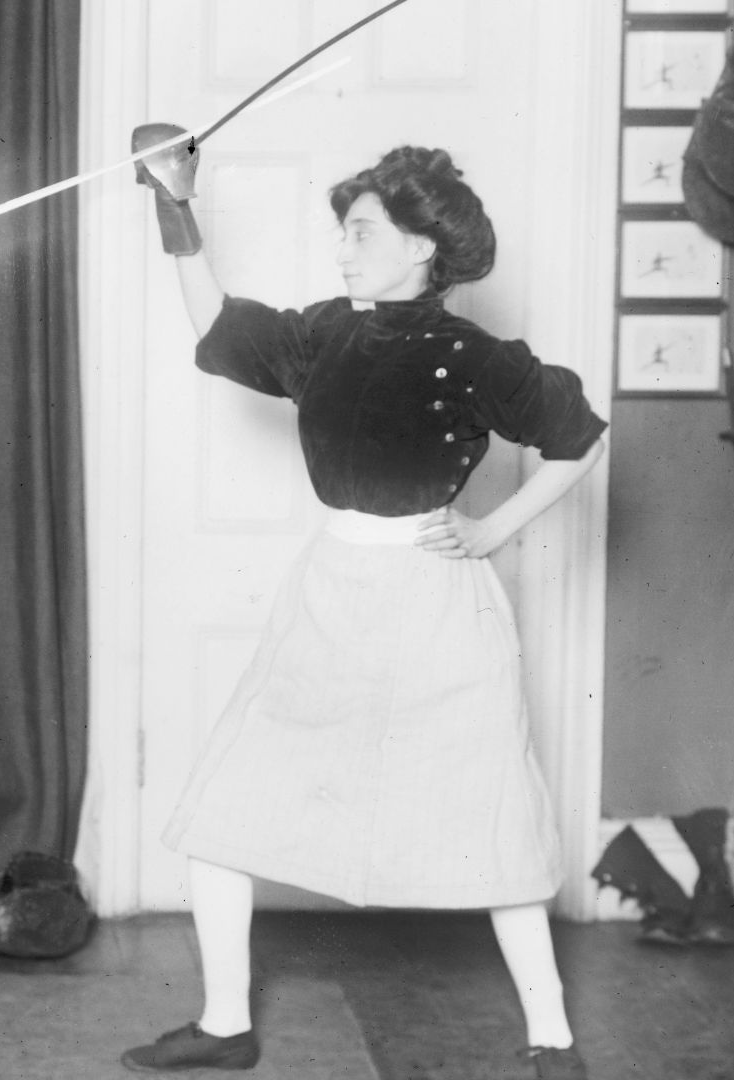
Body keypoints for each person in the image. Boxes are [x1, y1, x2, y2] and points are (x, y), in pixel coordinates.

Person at [118, 133, 606, 1080]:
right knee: (224, 809)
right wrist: (174, 203)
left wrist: (496, 529)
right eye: (340, 233)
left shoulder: (476, 356)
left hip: (437, 610)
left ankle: (553, 1044)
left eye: (360, 232)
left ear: (423, 247)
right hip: (331, 596)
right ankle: (225, 1026)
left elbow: (578, 440)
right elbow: (216, 325)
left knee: (493, 824)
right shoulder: (325, 333)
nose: (341, 251)